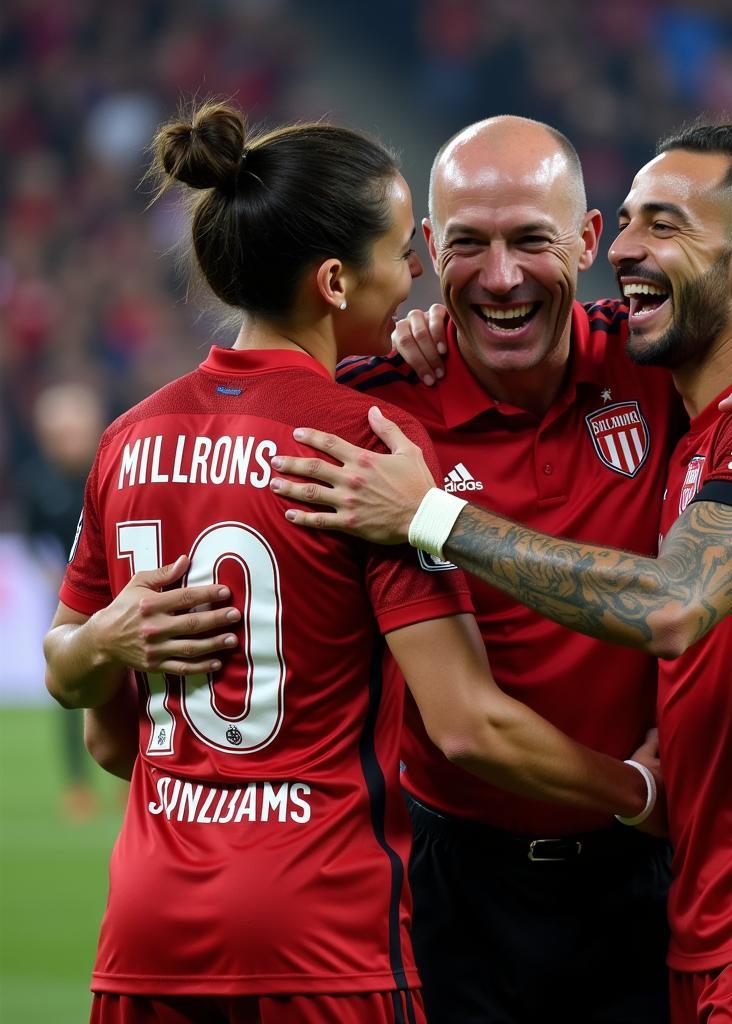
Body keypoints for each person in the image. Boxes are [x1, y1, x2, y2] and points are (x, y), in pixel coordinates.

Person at [269, 122, 732, 1023]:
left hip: (683, 875)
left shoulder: (682, 370)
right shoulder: (382, 409)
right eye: (468, 243)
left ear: (583, 244)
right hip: (469, 877)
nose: (502, 276)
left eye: (532, 241)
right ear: (430, 253)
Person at [42, 101, 664, 1024]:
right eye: (406, 255)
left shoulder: (130, 439)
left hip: (147, 921)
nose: (416, 280)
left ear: (584, 240)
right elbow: (466, 725)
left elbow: (106, 737)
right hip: (324, 924)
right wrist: (640, 789)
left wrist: (107, 653)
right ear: (336, 280)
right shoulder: (364, 441)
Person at [20, 381, 108, 821]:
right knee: (69, 685)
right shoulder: (37, 482)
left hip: (112, 591)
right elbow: (33, 541)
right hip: (66, 599)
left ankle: (137, 776)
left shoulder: (106, 468)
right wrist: (53, 575)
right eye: (58, 434)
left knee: (132, 681)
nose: (66, 441)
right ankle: (77, 784)